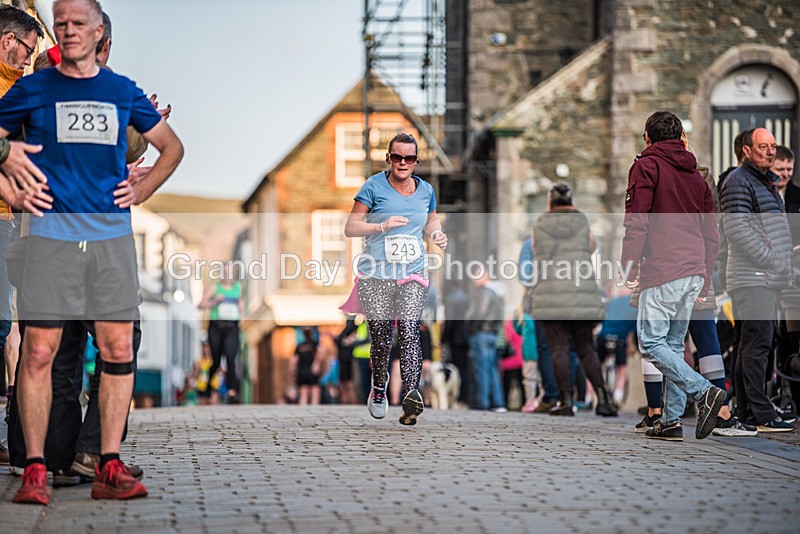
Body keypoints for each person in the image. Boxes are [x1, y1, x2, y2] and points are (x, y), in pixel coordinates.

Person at [0, 0, 183, 504]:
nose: (68, 32)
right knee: (46, 353)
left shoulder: (119, 90)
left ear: (99, 34)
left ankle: (97, 462)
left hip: (105, 242)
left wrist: (141, 188)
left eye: (79, 25)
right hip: (47, 240)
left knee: (111, 347)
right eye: (61, 24)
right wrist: (11, 185)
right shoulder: (33, 89)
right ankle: (45, 465)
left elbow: (168, 147)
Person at [622, 110, 724, 441]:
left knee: (652, 343)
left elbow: (637, 219)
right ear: (680, 137)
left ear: (647, 137)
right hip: (693, 269)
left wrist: (629, 264)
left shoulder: (646, 166)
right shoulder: (697, 176)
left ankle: (704, 392)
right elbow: (712, 232)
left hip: (664, 267)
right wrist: (705, 276)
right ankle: (670, 421)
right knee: (674, 344)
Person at [344, 132, 447, 425]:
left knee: (410, 329)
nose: (403, 162)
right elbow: (351, 227)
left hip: (412, 271)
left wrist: (437, 233)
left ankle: (411, 394)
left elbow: (431, 219)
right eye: (397, 157)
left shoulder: (426, 190)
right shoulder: (373, 186)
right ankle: (379, 386)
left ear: (416, 160)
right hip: (376, 274)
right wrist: (381, 226)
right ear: (388, 158)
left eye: (409, 157)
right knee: (381, 338)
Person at [719, 128, 796, 432]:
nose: (770, 151)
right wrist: (771, 259)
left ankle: (749, 412)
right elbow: (737, 229)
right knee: (756, 344)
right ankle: (760, 413)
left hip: (765, 278)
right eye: (763, 146)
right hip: (753, 278)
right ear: (747, 150)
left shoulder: (765, 181)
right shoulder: (739, 180)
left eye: (773, 146)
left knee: (748, 344)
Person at [529, 183, 617, 417]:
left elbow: (536, 253)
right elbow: (592, 247)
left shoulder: (540, 224)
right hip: (581, 289)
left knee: (558, 347)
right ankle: (604, 400)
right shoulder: (582, 221)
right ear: (571, 200)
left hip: (550, 291)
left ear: (550, 201)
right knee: (586, 347)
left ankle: (566, 402)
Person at [0, 3, 43, 465]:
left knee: (5, 329)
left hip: (10, 222)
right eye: (27, 50)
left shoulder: (19, 88)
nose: (29, 59)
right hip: (6, 222)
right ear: (7, 40)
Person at [199, 265, 243, 404]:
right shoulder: (214, 287)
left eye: (229, 272)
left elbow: (241, 308)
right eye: (224, 272)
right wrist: (215, 301)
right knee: (216, 360)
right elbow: (201, 304)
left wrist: (241, 311)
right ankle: (208, 388)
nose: (227, 275)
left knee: (231, 357)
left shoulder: (238, 288)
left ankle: (232, 390)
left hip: (232, 326)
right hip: (216, 326)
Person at [466, 269, 506, 411]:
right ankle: (498, 402)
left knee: (482, 370)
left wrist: (472, 329)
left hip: (482, 333)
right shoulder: (497, 293)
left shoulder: (484, 292)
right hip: (492, 333)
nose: (473, 280)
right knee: (492, 369)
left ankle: (483, 402)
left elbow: (480, 313)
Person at [292, 327, 323, 405]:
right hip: (312, 371)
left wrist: (293, 371)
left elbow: (294, 360)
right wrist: (317, 364)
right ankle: (314, 409)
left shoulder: (299, 346)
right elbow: (321, 352)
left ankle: (303, 409)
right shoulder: (314, 344)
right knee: (315, 392)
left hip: (302, 371)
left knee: (303, 393)